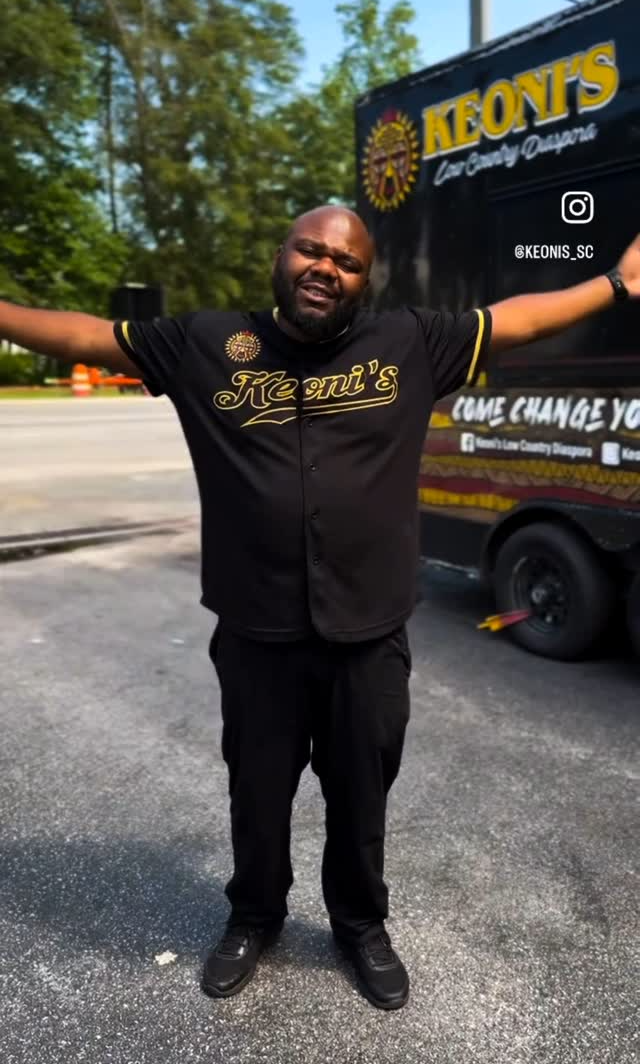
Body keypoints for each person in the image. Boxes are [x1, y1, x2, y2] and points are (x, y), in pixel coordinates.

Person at [1, 206, 638, 1010]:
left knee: (360, 795)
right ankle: (253, 915)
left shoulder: (409, 342)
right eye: (312, 250)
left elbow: (512, 320)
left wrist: (616, 283)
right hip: (256, 633)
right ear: (281, 254)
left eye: (346, 262)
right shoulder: (205, 343)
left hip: (367, 637)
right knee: (257, 793)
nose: (325, 268)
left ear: (363, 280)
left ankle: (360, 926)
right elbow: (86, 336)